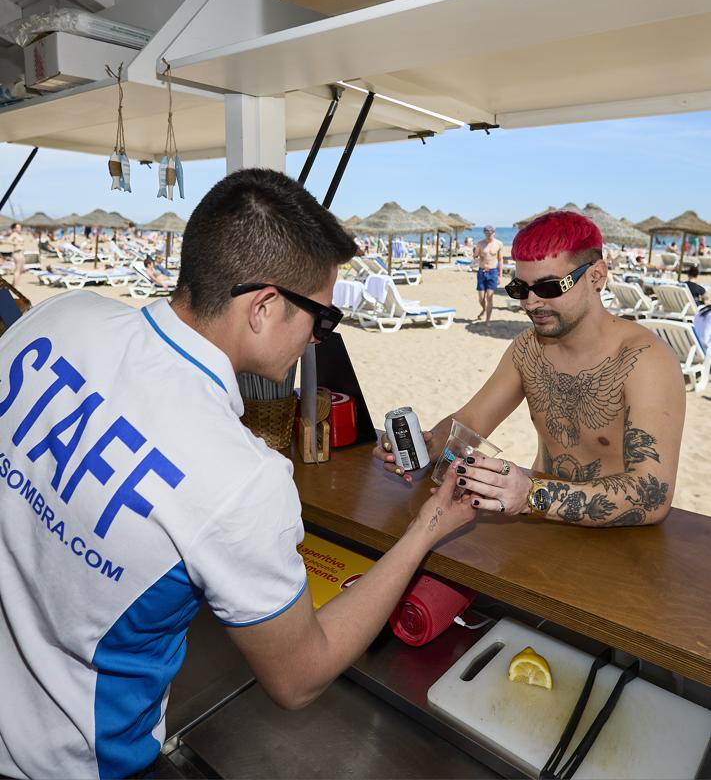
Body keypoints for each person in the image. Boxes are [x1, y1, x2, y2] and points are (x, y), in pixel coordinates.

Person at [0, 169, 475, 779]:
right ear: (265, 307)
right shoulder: (241, 479)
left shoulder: (55, 320)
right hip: (77, 762)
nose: (315, 338)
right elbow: (299, 676)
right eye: (321, 320)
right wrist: (427, 528)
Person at [374, 210, 685, 527]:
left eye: (549, 287)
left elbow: (652, 495)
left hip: (620, 538)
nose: (531, 302)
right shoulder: (528, 348)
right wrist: (426, 447)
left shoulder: (645, 360)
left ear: (597, 276)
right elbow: (471, 421)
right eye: (520, 289)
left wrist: (530, 494)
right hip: (539, 523)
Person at [473, 225, 504, 324]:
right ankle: (483, 309)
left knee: (489, 297)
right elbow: (475, 257)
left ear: (494, 233)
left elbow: (500, 260)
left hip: (493, 272)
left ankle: (488, 319)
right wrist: (476, 256)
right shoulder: (480, 244)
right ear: (484, 233)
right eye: (487, 233)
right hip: (482, 271)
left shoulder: (499, 244)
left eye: (490, 233)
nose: (489, 235)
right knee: (481, 298)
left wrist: (500, 275)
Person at [7, 222, 25, 288]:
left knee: (21, 270)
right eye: (18, 227)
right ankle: (15, 286)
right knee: (17, 270)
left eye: (20, 227)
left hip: (21, 253)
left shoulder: (18, 234)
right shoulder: (14, 234)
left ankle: (13, 284)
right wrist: (15, 243)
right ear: (14, 229)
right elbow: (8, 240)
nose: (19, 228)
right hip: (17, 253)